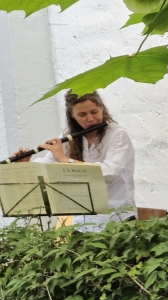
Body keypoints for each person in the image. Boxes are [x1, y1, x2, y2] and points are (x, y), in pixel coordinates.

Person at [20, 91, 136, 227]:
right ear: (72, 115)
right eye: (82, 115)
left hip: (118, 218)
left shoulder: (117, 134)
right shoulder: (68, 135)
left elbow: (111, 172)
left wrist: (66, 161)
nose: (91, 119)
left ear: (102, 108)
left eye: (94, 112)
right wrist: (24, 165)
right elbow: (47, 167)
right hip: (83, 220)